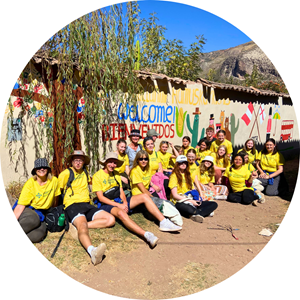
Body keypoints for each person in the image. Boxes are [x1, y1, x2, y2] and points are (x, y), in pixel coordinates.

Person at [58, 150, 115, 266]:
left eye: (80, 160)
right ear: (71, 161)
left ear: (84, 162)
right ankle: (92, 251)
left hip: (86, 204)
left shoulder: (85, 171)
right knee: (83, 224)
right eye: (75, 160)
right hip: (72, 205)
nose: (78, 162)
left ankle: (78, 227)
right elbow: (58, 191)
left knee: (110, 220)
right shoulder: (65, 174)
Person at [92, 152, 159, 248]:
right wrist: (120, 206)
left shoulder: (116, 173)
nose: (112, 165)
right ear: (105, 162)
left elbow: (121, 191)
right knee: (121, 213)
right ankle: (146, 235)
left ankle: (163, 221)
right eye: (110, 162)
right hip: (106, 203)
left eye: (115, 163)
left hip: (118, 200)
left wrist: (125, 203)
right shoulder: (97, 176)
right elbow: (101, 198)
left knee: (144, 196)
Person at [129, 150, 182, 231]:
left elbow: (147, 180)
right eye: (141, 159)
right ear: (137, 160)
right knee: (158, 202)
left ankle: (172, 219)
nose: (143, 161)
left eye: (146, 159)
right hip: (139, 196)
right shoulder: (135, 171)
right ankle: (164, 222)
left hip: (147, 193)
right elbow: (142, 189)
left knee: (166, 202)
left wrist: (153, 186)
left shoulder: (147, 169)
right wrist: (153, 198)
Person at [13, 158, 61, 243]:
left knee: (39, 234)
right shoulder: (30, 183)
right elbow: (21, 205)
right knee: (34, 219)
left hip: (42, 213)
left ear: (48, 169)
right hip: (29, 209)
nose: (41, 169)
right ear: (35, 170)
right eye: (39, 168)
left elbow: (56, 199)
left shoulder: (54, 181)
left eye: (44, 167)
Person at [168, 155, 218, 223]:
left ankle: (196, 214)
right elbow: (175, 195)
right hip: (179, 201)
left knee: (214, 204)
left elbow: (193, 189)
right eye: (181, 162)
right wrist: (191, 201)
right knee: (190, 209)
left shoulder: (188, 175)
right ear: (177, 164)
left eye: (185, 162)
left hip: (190, 197)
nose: (183, 164)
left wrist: (198, 197)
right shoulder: (174, 176)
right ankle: (201, 212)